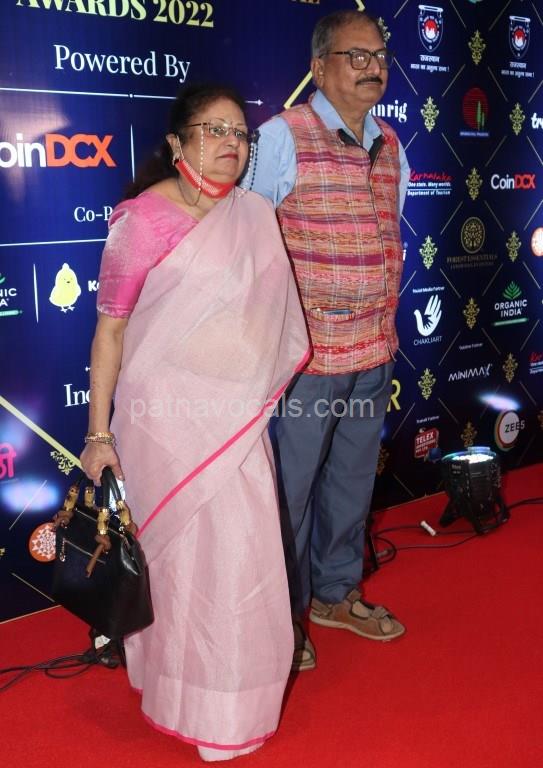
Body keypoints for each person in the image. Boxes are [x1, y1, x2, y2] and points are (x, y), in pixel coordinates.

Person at [80, 83, 309, 761]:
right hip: (163, 423)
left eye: (240, 134)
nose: (231, 145)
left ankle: (228, 707)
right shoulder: (142, 220)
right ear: (178, 141)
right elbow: (110, 333)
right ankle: (172, 689)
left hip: (234, 427)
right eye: (214, 131)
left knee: (240, 563)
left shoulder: (254, 214)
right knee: (178, 568)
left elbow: (267, 326)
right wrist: (98, 435)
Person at [250, 10, 410, 671]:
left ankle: (334, 595)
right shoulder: (280, 137)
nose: (373, 67)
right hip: (305, 361)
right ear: (319, 67)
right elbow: (247, 244)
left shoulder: (390, 143)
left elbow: (389, 230)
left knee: (350, 484)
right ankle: (277, 619)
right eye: (356, 56)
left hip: (373, 351)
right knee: (286, 494)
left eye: (380, 56)